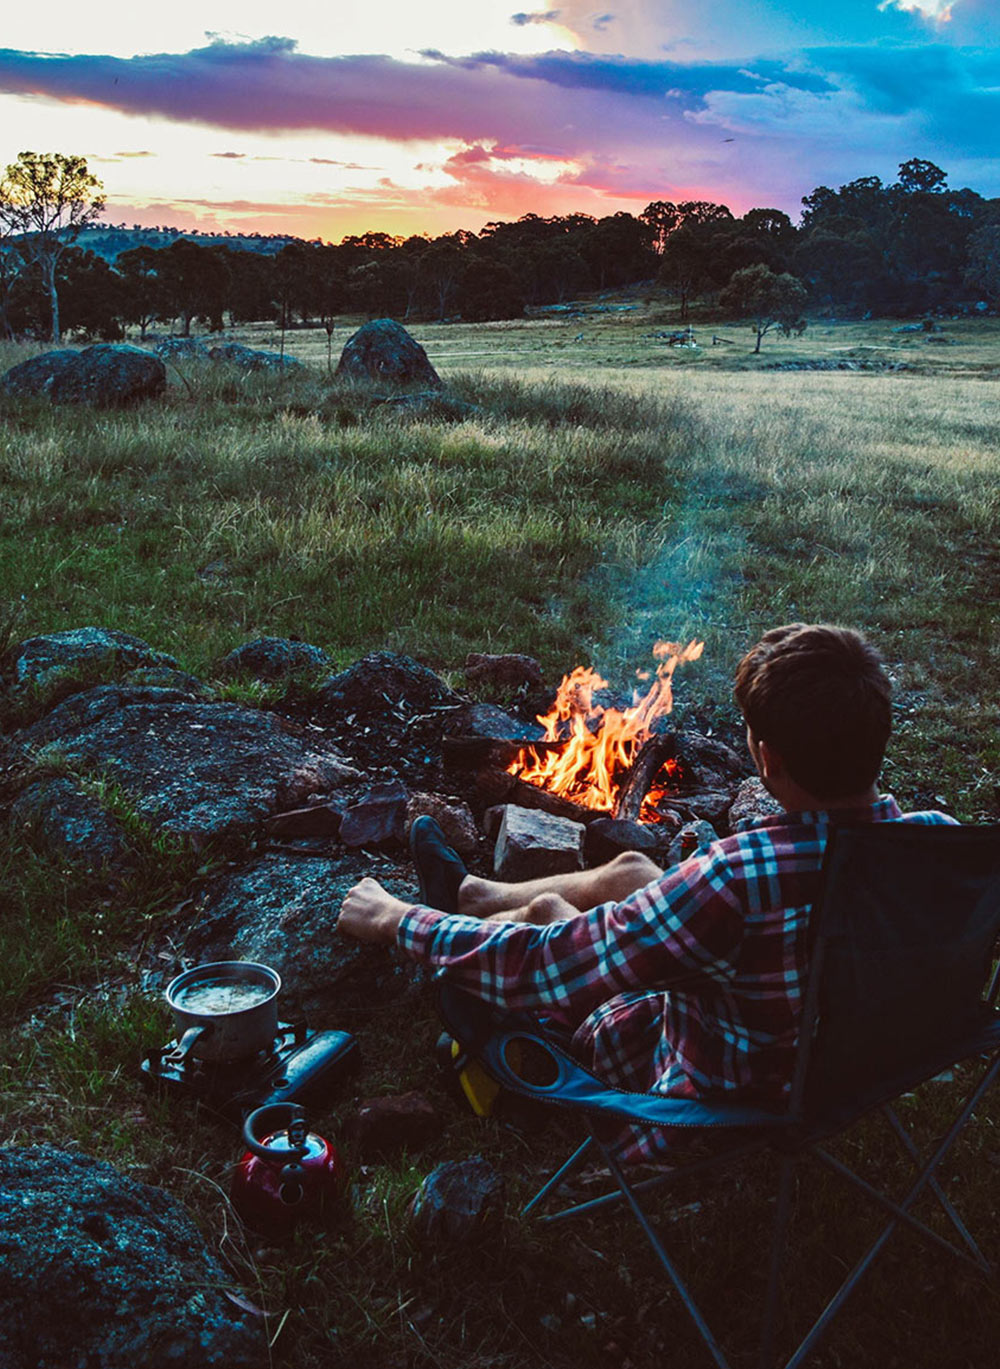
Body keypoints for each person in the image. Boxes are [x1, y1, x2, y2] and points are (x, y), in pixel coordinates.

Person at [338, 624, 953, 1160]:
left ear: (767, 759)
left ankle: (464, 916)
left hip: (730, 1086)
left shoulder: (737, 878)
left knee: (549, 917)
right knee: (632, 868)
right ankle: (473, 893)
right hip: (847, 1056)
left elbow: (550, 965)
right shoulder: (941, 847)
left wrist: (396, 918)